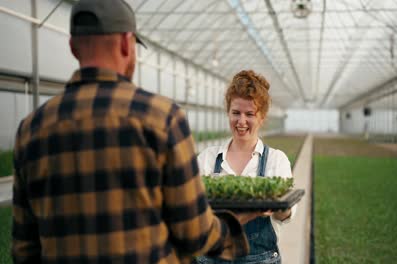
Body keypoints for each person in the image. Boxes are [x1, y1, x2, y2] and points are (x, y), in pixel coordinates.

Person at [11, 0, 259, 263]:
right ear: (126, 44)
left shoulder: (31, 129)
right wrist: (234, 224)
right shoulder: (161, 118)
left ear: (73, 47)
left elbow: (24, 248)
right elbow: (193, 231)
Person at [196, 70, 296, 264]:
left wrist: (276, 205)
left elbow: (286, 214)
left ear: (262, 117)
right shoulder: (207, 159)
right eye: (236, 113)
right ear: (228, 112)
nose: (241, 121)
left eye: (249, 114)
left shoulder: (276, 160)